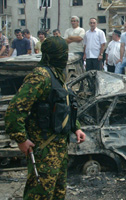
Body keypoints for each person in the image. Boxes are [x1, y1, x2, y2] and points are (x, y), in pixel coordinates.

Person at [5, 36, 86, 199]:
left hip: (59, 148)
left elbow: (64, 105)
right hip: (44, 148)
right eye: (62, 53)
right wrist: (21, 139)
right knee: (39, 194)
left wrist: (75, 127)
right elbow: (15, 110)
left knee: (58, 193)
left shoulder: (57, 74)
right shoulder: (41, 76)